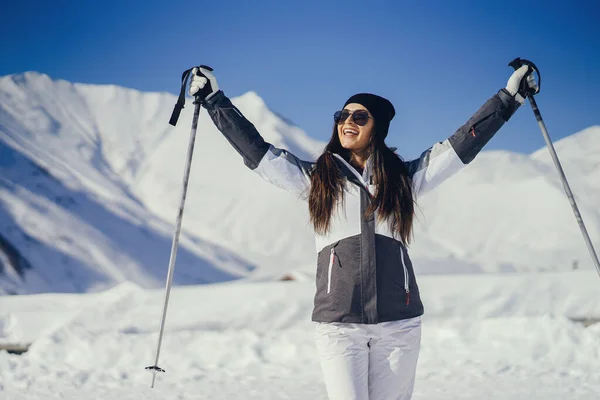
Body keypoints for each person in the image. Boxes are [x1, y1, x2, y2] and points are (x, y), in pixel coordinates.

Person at [188, 63, 531, 400]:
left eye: (359, 117)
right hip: (339, 326)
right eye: (342, 115)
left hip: (398, 325)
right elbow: (258, 153)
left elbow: (460, 146)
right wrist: (214, 101)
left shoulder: (404, 179)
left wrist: (508, 99)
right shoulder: (316, 180)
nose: (347, 122)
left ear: (377, 128)